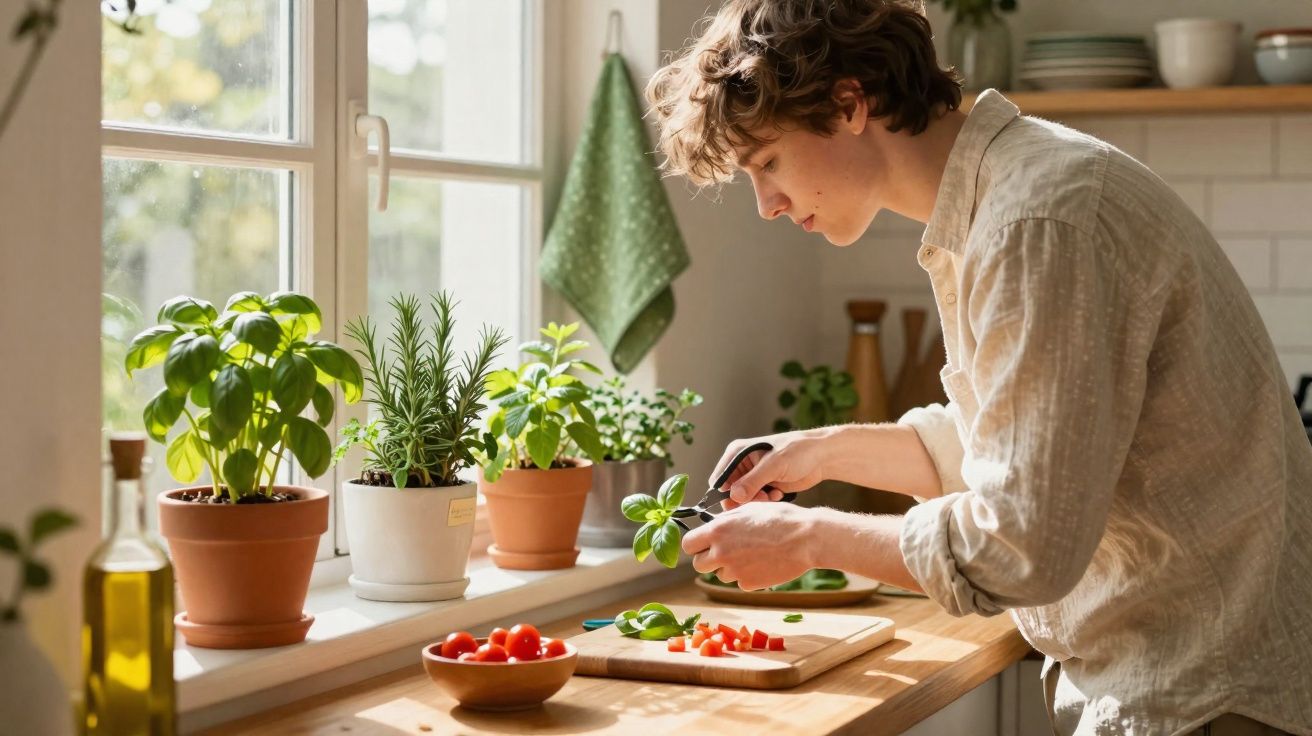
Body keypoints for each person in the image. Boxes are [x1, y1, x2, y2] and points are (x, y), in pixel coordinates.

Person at [645, 1, 1312, 734]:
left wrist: (805, 538)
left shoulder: (1035, 222)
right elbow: (1016, 448)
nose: (766, 204)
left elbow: (1022, 543)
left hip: (1208, 696)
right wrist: (820, 452)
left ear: (849, 101)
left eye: (767, 162)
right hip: (1194, 682)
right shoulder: (1009, 196)